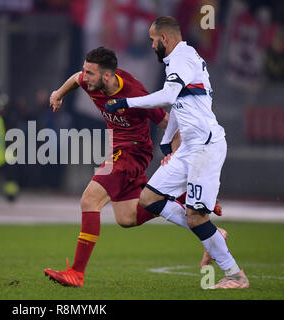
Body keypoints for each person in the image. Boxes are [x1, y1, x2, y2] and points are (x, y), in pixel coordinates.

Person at [44, 47, 219, 287]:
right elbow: (75, 79)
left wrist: (175, 155)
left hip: (133, 151)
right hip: (117, 150)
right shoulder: (89, 80)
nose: (85, 76)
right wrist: (58, 93)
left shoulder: (135, 94)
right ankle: (198, 216)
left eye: (90, 73)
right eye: (85, 70)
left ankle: (76, 273)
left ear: (106, 76)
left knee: (89, 200)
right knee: (127, 217)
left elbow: (169, 121)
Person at [105, 16, 249, 289]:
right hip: (189, 148)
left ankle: (235, 275)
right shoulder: (180, 60)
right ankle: (211, 234)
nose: (151, 45)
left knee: (196, 217)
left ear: (165, 39)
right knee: (148, 198)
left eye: (152, 40)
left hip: (204, 147)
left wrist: (126, 102)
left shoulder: (183, 56)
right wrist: (167, 139)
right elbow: (181, 103)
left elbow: (169, 96)